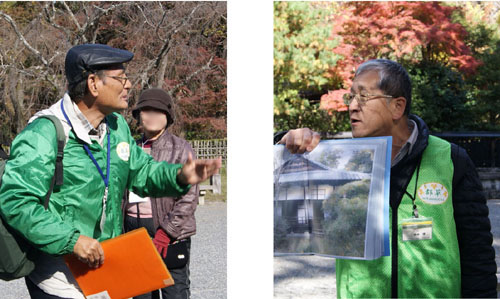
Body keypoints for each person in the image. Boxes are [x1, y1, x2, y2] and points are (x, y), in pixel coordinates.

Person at [0, 44, 221, 299]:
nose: (128, 85)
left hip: (107, 271)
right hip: (60, 280)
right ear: (93, 83)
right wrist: (72, 241)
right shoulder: (44, 134)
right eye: (121, 77)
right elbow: (16, 201)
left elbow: (142, 171)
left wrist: (179, 176)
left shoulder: (116, 127)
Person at [276, 59, 497, 298]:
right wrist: (285, 143)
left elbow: (477, 255)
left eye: (363, 97)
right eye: (350, 97)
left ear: (397, 107)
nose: (352, 106)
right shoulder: (338, 160)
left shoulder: (451, 160)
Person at [123, 88, 198, 299]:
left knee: (174, 291)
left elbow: (189, 197)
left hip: (168, 232)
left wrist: (167, 231)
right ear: (138, 116)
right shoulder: (129, 148)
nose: (152, 116)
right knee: (141, 293)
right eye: (146, 111)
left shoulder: (181, 149)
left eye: (158, 111)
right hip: (134, 232)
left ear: (168, 116)